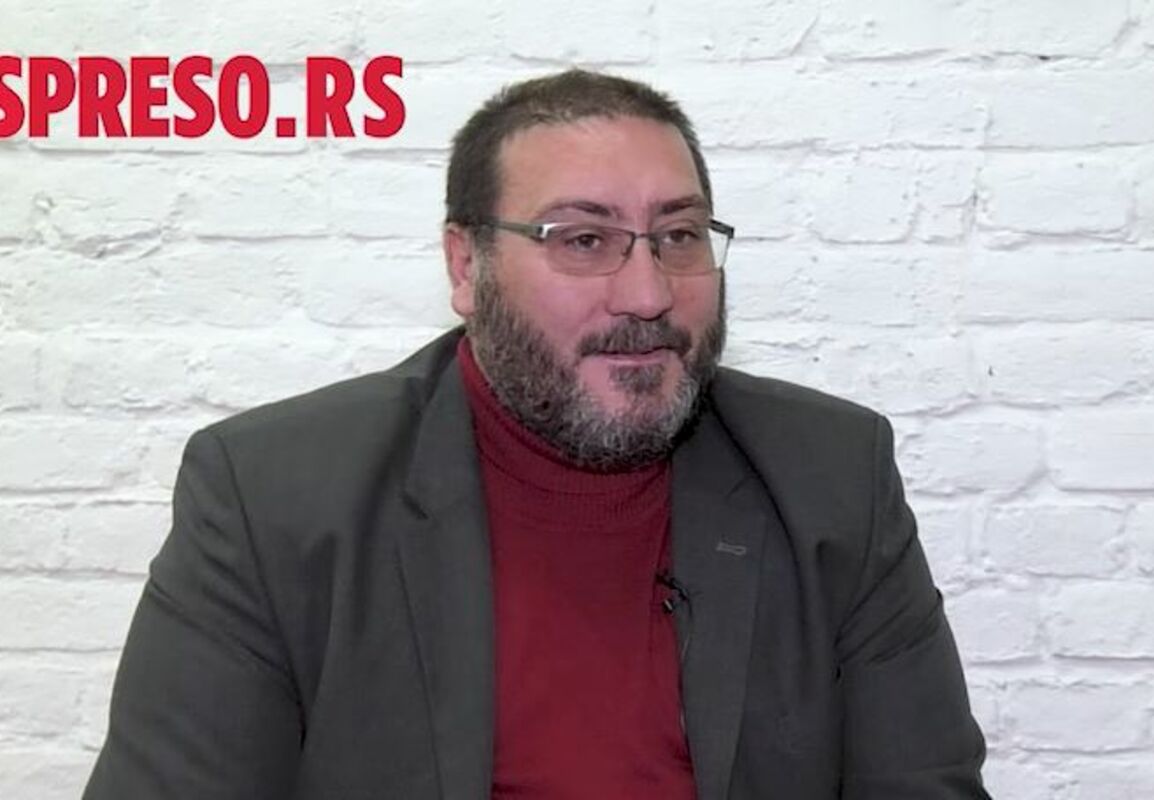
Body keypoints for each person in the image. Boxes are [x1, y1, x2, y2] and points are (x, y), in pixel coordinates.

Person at [84, 69, 991, 799]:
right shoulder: (271, 498)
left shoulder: (831, 479)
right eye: (583, 240)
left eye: (679, 235)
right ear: (466, 266)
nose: (648, 295)